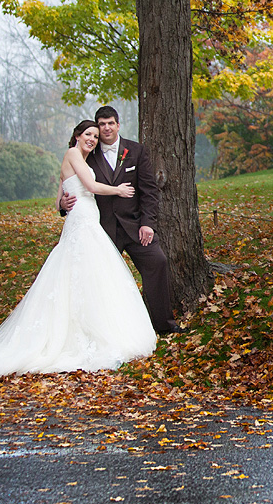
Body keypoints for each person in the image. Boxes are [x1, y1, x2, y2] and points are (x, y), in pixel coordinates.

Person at [0, 121, 157, 381]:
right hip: (82, 224)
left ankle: (91, 327)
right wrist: (118, 190)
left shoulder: (82, 159)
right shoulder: (73, 154)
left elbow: (58, 198)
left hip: (87, 220)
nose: (93, 140)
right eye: (88, 134)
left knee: (89, 276)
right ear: (77, 135)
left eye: (96, 137)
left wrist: (63, 201)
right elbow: (92, 187)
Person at [59, 106, 183, 335]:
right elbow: (69, 181)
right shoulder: (88, 153)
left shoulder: (136, 151)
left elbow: (149, 190)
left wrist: (148, 223)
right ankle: (106, 329)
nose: (106, 128)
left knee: (158, 262)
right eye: (101, 124)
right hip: (102, 229)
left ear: (118, 125)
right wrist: (62, 205)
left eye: (110, 123)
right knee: (100, 278)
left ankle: (163, 325)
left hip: (135, 226)